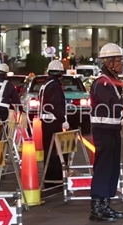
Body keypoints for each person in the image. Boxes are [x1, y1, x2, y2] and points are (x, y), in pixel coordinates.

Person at [89, 43, 123, 222]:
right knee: (104, 169)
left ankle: (104, 205)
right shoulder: (102, 82)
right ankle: (97, 207)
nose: (122, 64)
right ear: (109, 62)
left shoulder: (111, 81)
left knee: (111, 169)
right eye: (119, 60)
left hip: (111, 130)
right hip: (103, 131)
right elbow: (115, 105)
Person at [39, 60, 69, 190]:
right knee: (55, 152)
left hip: (46, 122)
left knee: (49, 151)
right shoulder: (54, 86)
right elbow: (55, 105)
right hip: (53, 123)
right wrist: (63, 119)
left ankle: (49, 180)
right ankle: (55, 180)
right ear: (61, 73)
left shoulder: (45, 84)